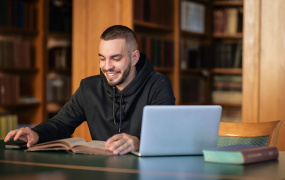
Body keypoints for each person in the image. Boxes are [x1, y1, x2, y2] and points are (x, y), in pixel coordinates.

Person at [4, 25, 175, 155]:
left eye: (115, 58)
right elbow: (61, 123)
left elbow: (168, 134)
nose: (107, 67)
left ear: (134, 57)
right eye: (102, 58)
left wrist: (138, 142)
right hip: (101, 169)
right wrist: (36, 133)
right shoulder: (89, 88)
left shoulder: (158, 85)